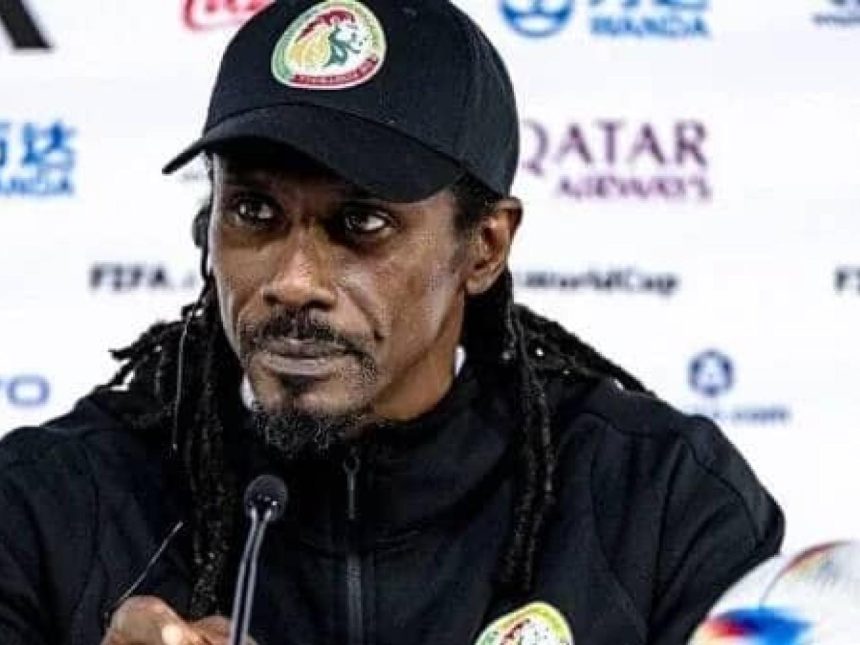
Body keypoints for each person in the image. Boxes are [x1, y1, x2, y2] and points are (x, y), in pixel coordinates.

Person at [0, 1, 783, 644]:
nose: (293, 281)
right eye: (254, 211)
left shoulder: (659, 501)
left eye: (361, 223)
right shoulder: (46, 509)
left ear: (485, 246)